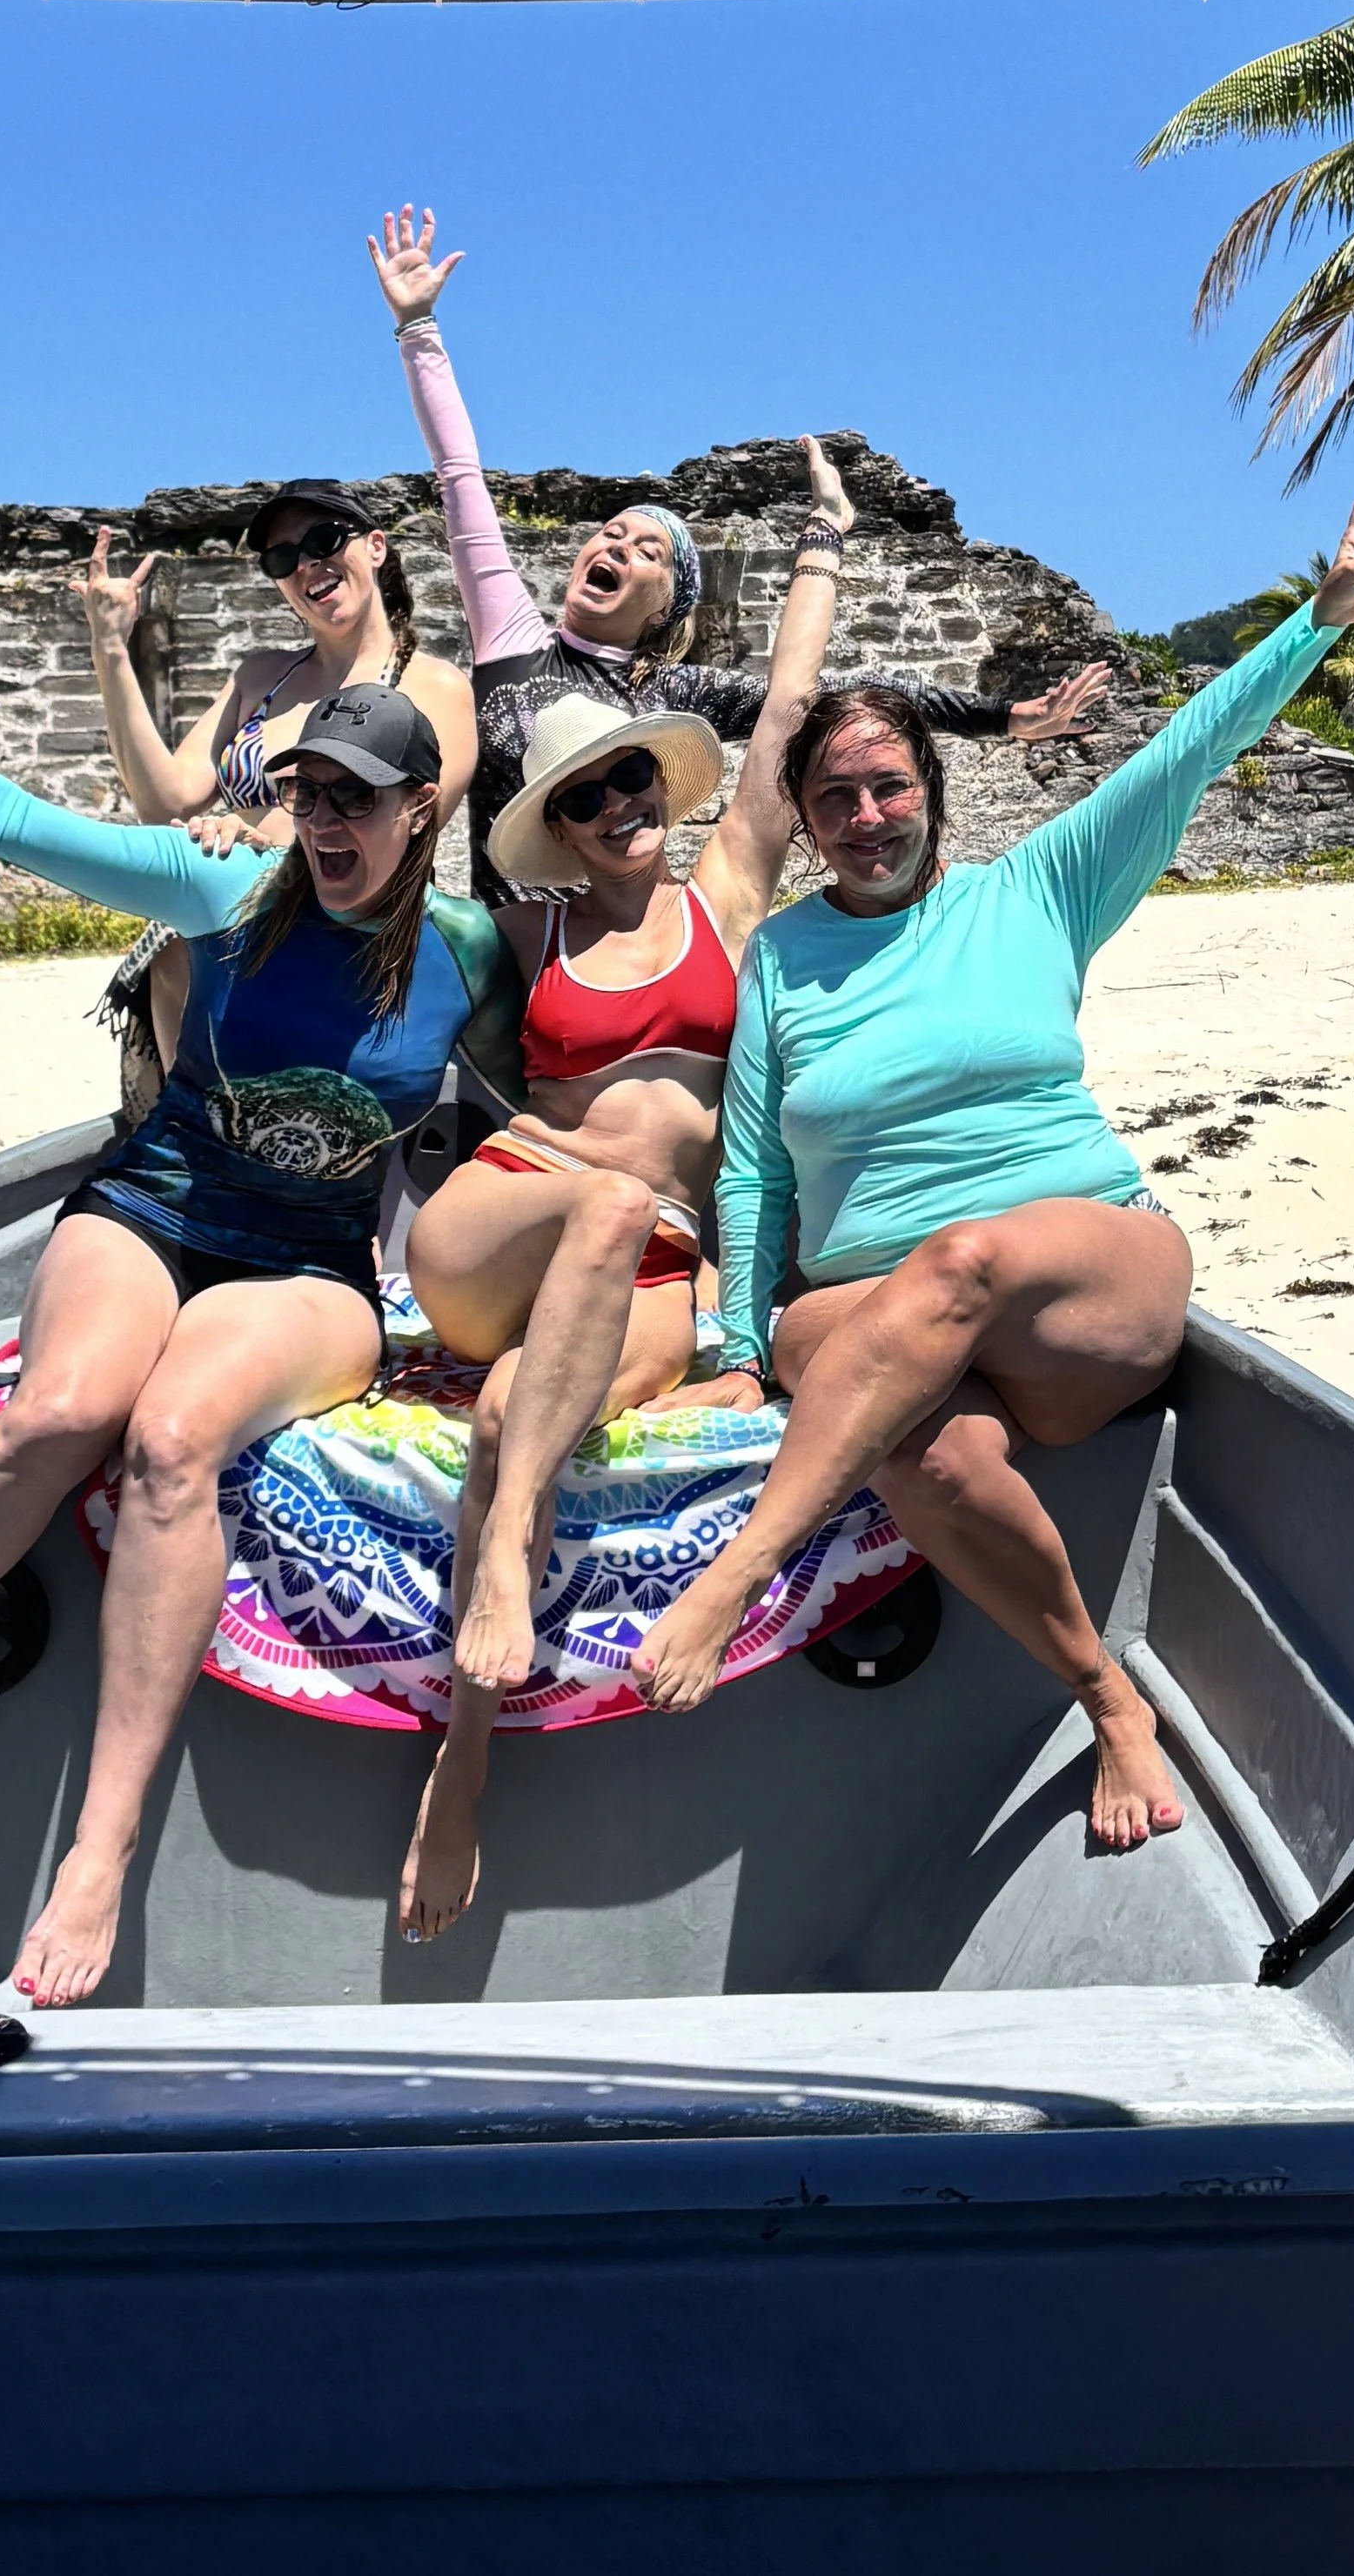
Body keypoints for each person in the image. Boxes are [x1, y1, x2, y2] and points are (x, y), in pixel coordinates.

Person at [0, 603, 522, 2008]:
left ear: (421, 807)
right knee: (59, 1408)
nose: (323, 824)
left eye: (355, 800)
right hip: (155, 1204)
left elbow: (573, 1092)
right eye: (305, 793)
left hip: (308, 1265)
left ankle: (98, 1846)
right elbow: (9, 824)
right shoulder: (222, 888)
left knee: (173, 1436)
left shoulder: (471, 955)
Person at [627, 475, 1354, 1854]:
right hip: (874, 1307)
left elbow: (1182, 753)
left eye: (889, 785)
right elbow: (753, 1165)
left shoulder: (1034, 888)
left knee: (968, 1256)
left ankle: (743, 1569)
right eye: (837, 799)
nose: (867, 814)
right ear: (807, 824)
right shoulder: (785, 957)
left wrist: (1321, 615)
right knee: (918, 1447)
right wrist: (749, 1339)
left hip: (1074, 1272)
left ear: (931, 792)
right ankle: (1109, 1694)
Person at [398, 438, 1042, 1945]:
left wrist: (818, 547)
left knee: (512, 1414)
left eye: (633, 776)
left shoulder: (722, 894)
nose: (618, 800)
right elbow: (373, 904)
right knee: (607, 1198)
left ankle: (461, 1761)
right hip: (501, 1215)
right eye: (586, 792)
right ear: (550, 822)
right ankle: (499, 1567)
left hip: (648, 1261)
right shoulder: (525, 934)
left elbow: (784, 735)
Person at [366, 204, 1114, 906]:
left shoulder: (678, 695)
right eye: (610, 533)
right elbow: (459, 477)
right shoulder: (511, 641)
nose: (616, 543)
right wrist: (418, 326)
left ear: (668, 603)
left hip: (630, 959)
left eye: (647, 548)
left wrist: (1002, 717)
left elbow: (837, 688)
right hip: (507, 964)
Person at [76, 481, 477, 1087]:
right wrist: (110, 647)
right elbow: (165, 798)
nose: (307, 565)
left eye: (323, 540)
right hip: (221, 933)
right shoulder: (260, 676)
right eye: (283, 558)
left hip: (350, 931)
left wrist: (254, 833)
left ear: (375, 547)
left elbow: (408, 822)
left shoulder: (432, 687)